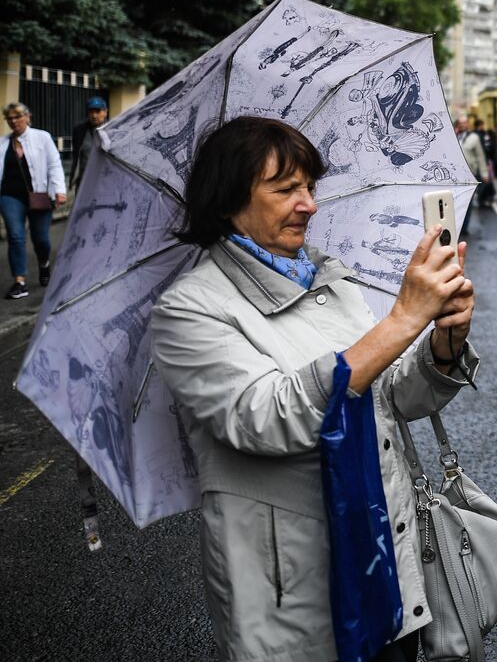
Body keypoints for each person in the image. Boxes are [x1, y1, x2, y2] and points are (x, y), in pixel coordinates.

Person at [150, 116, 478, 662]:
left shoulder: (329, 276)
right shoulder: (189, 308)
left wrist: (444, 343)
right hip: (296, 591)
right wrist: (400, 320)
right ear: (229, 201)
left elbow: (390, 400)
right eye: (285, 190)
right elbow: (265, 419)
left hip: (386, 563)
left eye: (309, 187)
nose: (309, 205)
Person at [0, 102, 67, 299]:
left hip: (40, 195)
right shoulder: (3, 143)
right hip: (10, 196)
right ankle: (19, 281)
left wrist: (59, 191)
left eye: (17, 117)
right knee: (15, 236)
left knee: (41, 239)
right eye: (10, 118)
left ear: (27, 117)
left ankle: (44, 264)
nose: (14, 122)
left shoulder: (42, 137)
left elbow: (54, 165)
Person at [69, 96, 108, 192]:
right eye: (91, 112)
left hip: (106, 181)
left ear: (105, 112)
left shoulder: (112, 129)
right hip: (84, 182)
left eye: (97, 111)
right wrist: (73, 178)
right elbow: (76, 155)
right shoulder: (79, 130)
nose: (94, 115)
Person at [460, 118, 491, 226]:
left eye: (465, 122)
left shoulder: (474, 138)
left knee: (468, 201)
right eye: (461, 123)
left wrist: (484, 173)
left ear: (468, 124)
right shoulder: (454, 136)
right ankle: (458, 225)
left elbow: (480, 156)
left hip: (470, 174)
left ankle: (464, 226)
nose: (463, 124)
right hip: (457, 174)